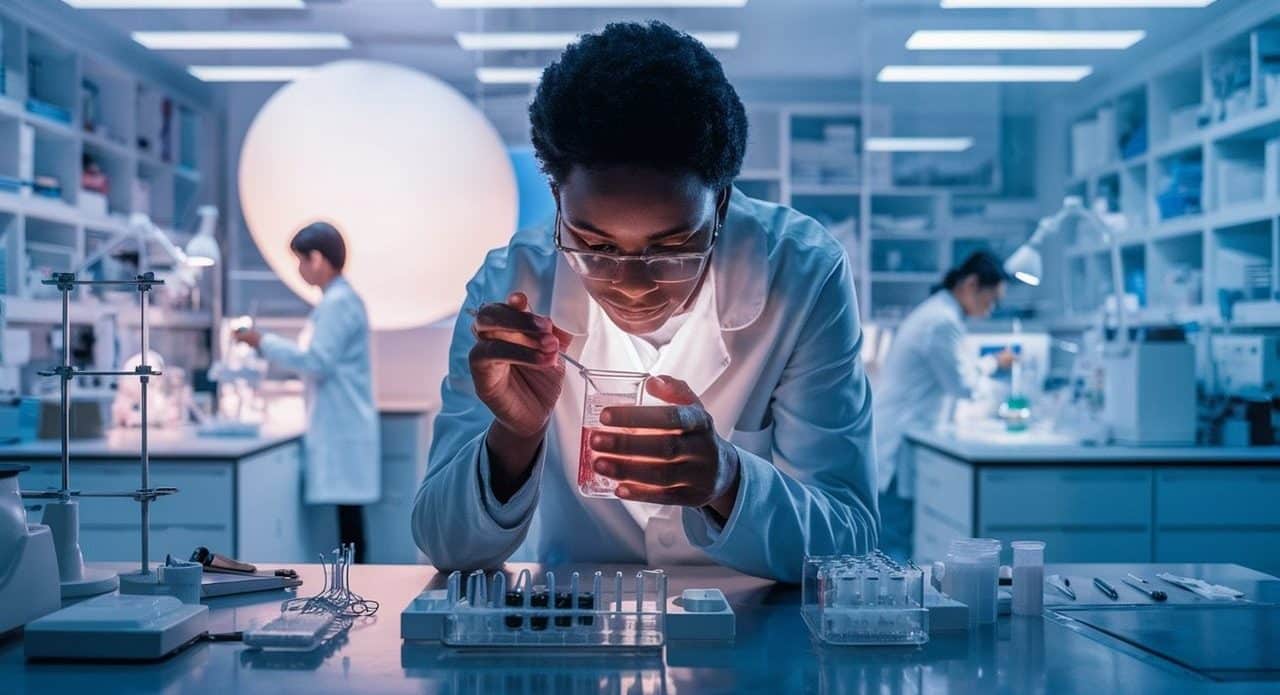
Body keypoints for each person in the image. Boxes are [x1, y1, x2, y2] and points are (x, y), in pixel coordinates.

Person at [411, 22, 878, 583]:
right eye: (595, 245)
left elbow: (848, 539)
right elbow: (444, 543)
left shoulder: (802, 274)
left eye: (673, 246)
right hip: (581, 624)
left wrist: (727, 480)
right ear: (559, 201)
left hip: (747, 621)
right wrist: (514, 436)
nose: (632, 284)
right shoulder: (512, 284)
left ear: (721, 204)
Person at [234, 222, 380, 562]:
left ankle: (354, 593)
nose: (299, 270)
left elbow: (317, 361)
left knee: (350, 523)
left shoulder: (338, 303)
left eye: (300, 261)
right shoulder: (336, 301)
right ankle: (351, 590)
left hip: (343, 425)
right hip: (342, 422)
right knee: (348, 520)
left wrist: (262, 341)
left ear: (317, 259)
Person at [873, 250, 1015, 561]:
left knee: (896, 538)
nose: (991, 310)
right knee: (894, 543)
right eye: (991, 300)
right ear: (971, 284)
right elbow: (962, 385)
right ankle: (891, 607)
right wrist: (994, 363)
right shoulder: (941, 322)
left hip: (902, 437)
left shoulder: (938, 313)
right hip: (898, 445)